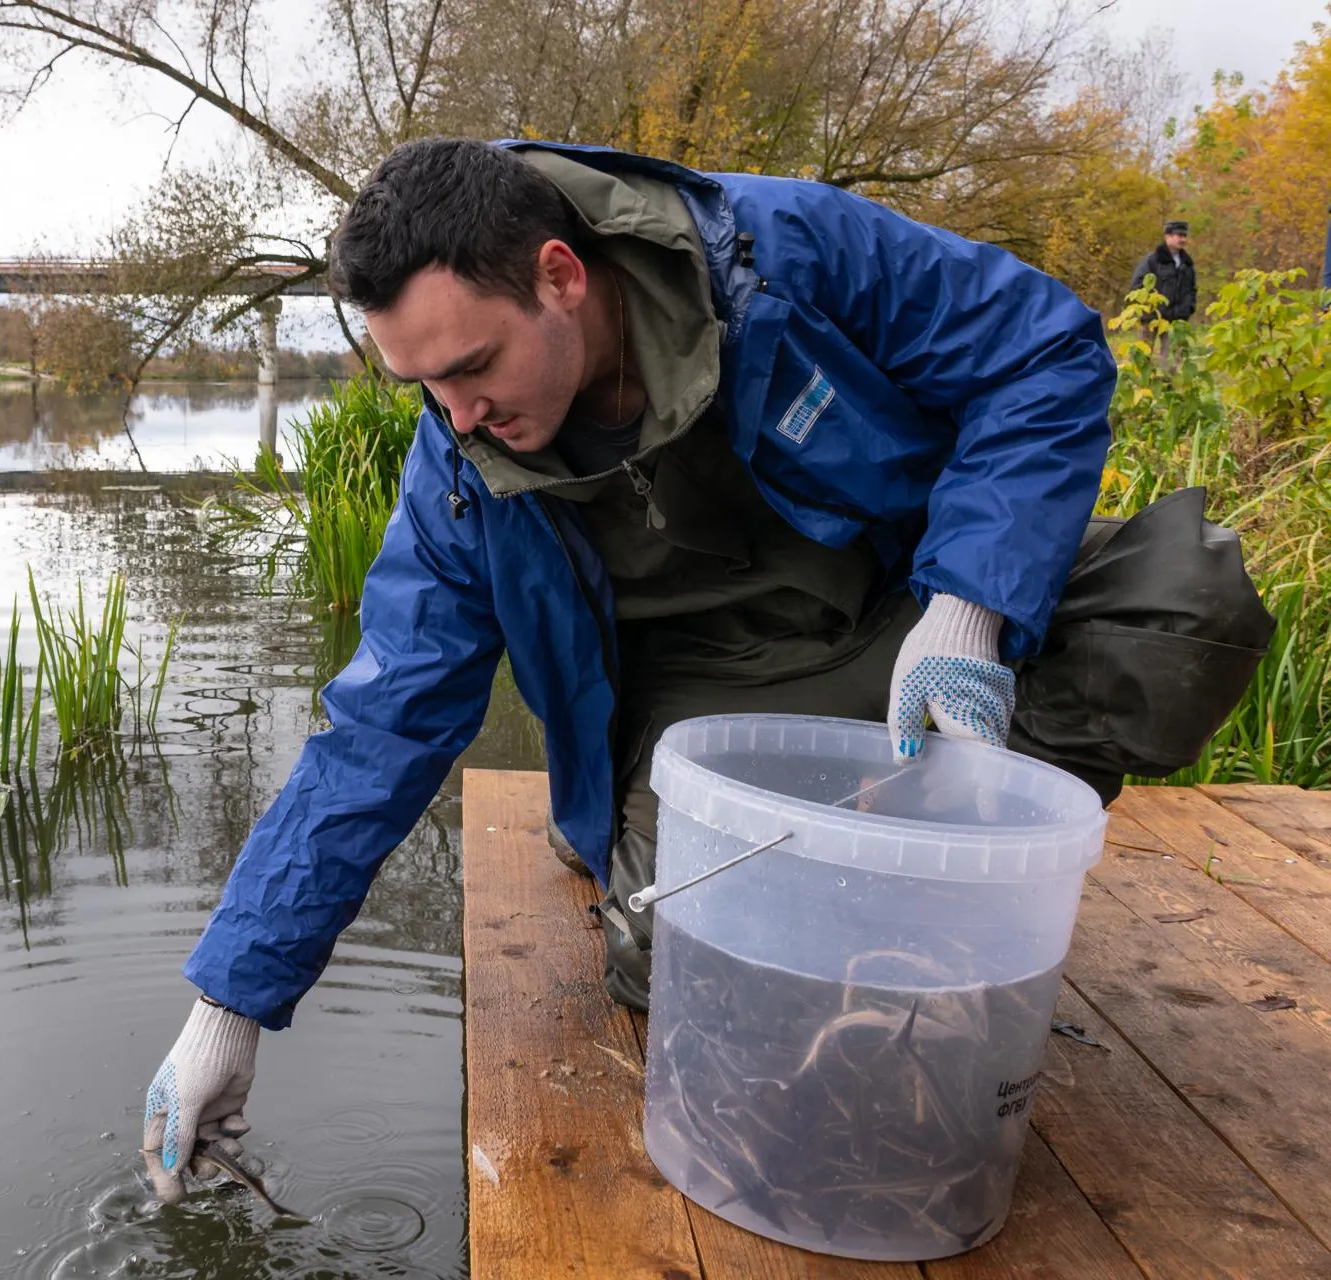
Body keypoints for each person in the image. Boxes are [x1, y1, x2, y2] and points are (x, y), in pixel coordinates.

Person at [137, 140, 1268, 1201]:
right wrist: (229, 1007)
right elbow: (379, 729)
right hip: (700, 710)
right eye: (424, 386)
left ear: (561, 274)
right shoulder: (462, 467)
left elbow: (1042, 350)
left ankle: (929, 816)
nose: (461, 413)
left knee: (1185, 611)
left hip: (902, 614)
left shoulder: (784, 251)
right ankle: (838, 846)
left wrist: (971, 606)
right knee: (669, 958)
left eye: (476, 364)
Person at [1130, 219, 1198, 323]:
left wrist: (1189, 308)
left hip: (1178, 322)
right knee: (1145, 340)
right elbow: (1137, 285)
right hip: (1152, 319)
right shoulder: (1152, 260)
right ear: (1168, 236)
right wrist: (1149, 309)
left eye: (1185, 236)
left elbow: (1192, 289)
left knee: (1174, 340)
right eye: (1179, 236)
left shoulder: (1187, 263)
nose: (1183, 239)